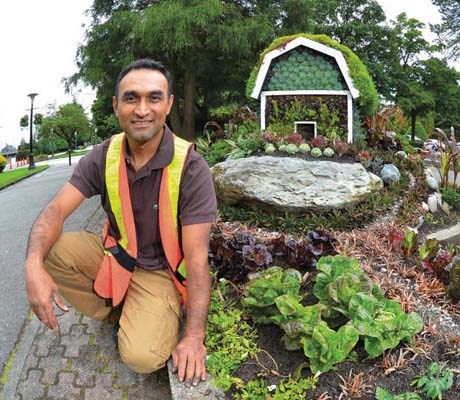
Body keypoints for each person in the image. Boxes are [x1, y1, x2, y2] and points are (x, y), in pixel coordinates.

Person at [24, 58, 217, 387]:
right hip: (118, 255)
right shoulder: (103, 155)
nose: (142, 109)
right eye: (131, 98)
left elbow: (197, 259)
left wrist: (194, 336)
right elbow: (55, 211)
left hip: (161, 273)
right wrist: (31, 266)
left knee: (140, 356)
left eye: (154, 98)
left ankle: (148, 313)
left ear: (168, 104)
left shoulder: (191, 167)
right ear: (117, 106)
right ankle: (118, 311)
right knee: (49, 250)